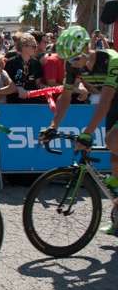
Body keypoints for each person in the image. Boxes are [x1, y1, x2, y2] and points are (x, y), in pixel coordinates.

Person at [40, 26, 118, 234]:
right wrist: (53, 126)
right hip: (115, 104)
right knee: (115, 157)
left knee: (112, 141)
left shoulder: (111, 60)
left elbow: (105, 101)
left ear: (86, 48)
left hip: (112, 99)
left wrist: (87, 133)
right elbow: (65, 97)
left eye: (75, 58)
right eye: (68, 59)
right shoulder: (73, 65)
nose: (72, 63)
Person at [4, 33, 43, 103]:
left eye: (36, 46)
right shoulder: (11, 63)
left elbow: (38, 84)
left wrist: (46, 87)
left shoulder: (36, 63)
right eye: (33, 46)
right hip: (14, 102)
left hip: (32, 101)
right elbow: (6, 83)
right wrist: (17, 89)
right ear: (23, 47)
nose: (35, 49)